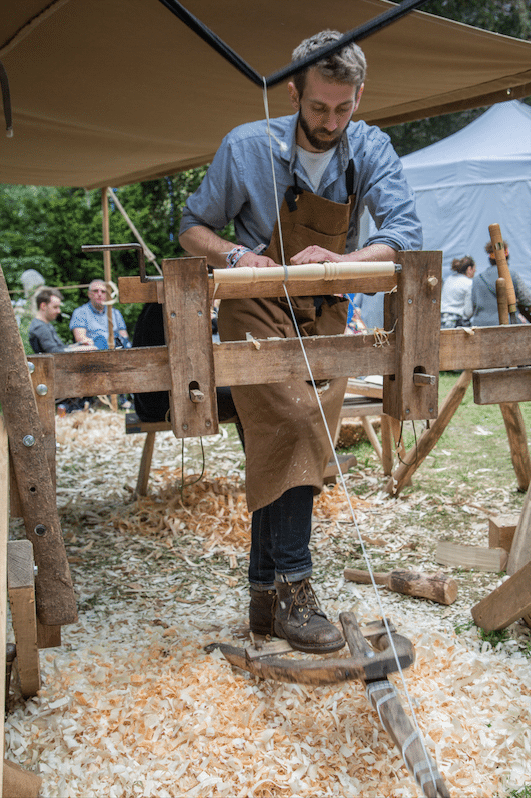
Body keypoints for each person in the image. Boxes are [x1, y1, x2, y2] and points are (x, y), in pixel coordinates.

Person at [179, 29, 422, 654]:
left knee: (292, 436)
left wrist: (342, 260)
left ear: (359, 96)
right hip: (253, 306)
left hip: (326, 305)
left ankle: (263, 595)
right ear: (294, 91)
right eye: (318, 108)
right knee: (292, 423)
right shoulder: (245, 146)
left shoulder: (370, 147)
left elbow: (403, 232)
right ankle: (294, 589)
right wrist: (235, 253)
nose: (331, 121)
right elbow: (191, 227)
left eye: (344, 108)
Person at [470, 241, 531, 326]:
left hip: (480, 325)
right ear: (507, 256)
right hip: (507, 325)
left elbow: (471, 308)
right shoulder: (512, 275)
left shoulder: (477, 279)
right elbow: (527, 300)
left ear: (490, 258)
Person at [29, 287, 96, 354]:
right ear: (43, 306)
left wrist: (79, 344)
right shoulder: (40, 327)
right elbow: (53, 352)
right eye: (55, 307)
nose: (59, 311)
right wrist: (79, 349)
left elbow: (60, 348)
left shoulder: (45, 324)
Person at [70, 279, 130, 348]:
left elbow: (124, 336)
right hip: (94, 351)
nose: (99, 294)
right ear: (89, 294)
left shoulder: (115, 313)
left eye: (103, 292)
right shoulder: (80, 312)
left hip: (117, 349)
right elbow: (80, 338)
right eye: (95, 291)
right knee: (100, 340)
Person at [440, 256, 475, 328]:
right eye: (474, 269)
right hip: (457, 320)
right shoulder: (469, 283)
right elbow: (468, 311)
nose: (475, 271)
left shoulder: (449, 279)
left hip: (441, 318)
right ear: (469, 269)